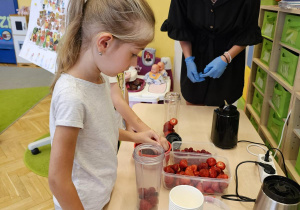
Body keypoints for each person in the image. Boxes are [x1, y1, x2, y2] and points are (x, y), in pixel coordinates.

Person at [48, 0, 158, 209]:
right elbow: (57, 180)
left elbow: (101, 130)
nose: (135, 63)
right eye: (134, 53)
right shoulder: (72, 96)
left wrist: (136, 136)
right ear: (104, 43)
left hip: (104, 194)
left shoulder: (100, 79)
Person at [161, 0, 262, 106]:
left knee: (220, 111)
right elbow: (180, 26)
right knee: (193, 107)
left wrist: (226, 57)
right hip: (195, 55)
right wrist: (189, 59)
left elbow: (248, 32)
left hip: (229, 58)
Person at [108, 73, 169, 150]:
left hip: (119, 131)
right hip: (108, 139)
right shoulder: (107, 70)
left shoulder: (114, 66)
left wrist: (129, 124)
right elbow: (118, 101)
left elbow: (123, 90)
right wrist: (156, 136)